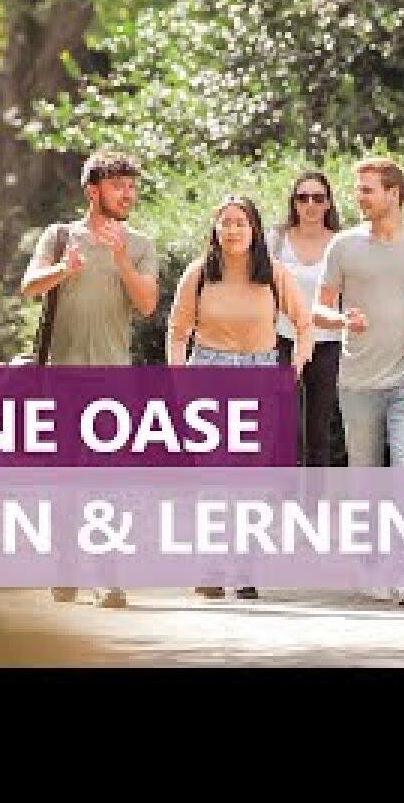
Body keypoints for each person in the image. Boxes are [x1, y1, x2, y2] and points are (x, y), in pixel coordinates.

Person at [19, 150, 158, 609]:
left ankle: (108, 573)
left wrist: (121, 261)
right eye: (119, 185)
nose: (128, 194)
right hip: (61, 375)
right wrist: (64, 269)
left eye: (131, 186)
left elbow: (147, 304)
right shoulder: (59, 238)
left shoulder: (139, 244)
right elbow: (29, 286)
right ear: (92, 190)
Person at [313, 157, 404, 607]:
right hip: (356, 379)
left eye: (367, 189)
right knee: (366, 476)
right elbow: (318, 309)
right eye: (358, 190)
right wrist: (341, 320)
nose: (359, 197)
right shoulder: (344, 247)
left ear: (394, 193)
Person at [167, 194, 313, 600]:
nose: (233, 230)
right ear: (215, 229)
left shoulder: (273, 274)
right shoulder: (198, 274)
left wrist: (293, 369)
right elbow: (177, 332)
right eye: (226, 222)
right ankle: (212, 568)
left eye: (240, 223)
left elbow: (304, 324)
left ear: (255, 230)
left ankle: (246, 567)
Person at [267, 172, 343, 468]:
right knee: (284, 425)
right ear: (294, 203)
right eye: (303, 197)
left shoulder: (341, 243)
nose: (310, 204)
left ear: (328, 204)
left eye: (318, 198)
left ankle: (314, 506)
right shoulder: (276, 240)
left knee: (318, 430)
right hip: (282, 340)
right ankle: (282, 502)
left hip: (327, 343)